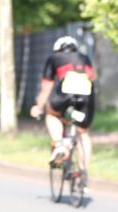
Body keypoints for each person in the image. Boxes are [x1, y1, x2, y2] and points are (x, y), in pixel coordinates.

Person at [29, 36, 97, 187]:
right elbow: (92, 77)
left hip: (65, 95)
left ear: (58, 49)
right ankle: (83, 171)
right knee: (83, 133)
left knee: (52, 115)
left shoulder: (54, 58)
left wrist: (38, 107)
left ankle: (60, 146)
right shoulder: (84, 58)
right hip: (86, 97)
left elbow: (46, 88)